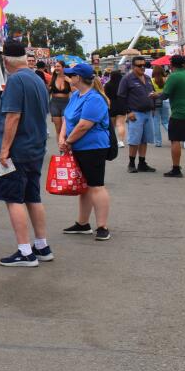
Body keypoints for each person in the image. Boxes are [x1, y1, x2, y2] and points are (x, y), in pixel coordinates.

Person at [0, 41, 53, 268]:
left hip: (18, 149)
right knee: (32, 196)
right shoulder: (37, 79)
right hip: (35, 147)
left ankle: (25, 251)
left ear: (6, 60)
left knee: (13, 198)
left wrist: (4, 150)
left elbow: (13, 116)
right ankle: (42, 245)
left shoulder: (16, 80)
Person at [59, 64, 113, 241]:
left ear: (79, 78)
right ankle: (83, 223)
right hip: (78, 146)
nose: (68, 77)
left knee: (96, 185)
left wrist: (67, 141)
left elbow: (84, 125)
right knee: (85, 187)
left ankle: (102, 226)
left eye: (71, 75)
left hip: (93, 147)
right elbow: (67, 118)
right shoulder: (76, 95)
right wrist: (62, 137)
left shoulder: (94, 98)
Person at [158, 55, 185, 178]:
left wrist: (155, 95)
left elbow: (165, 95)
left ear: (171, 65)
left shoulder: (174, 76)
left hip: (179, 114)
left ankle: (176, 168)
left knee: (175, 140)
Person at [118, 57, 158, 174]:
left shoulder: (147, 78)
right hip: (135, 113)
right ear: (133, 66)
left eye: (144, 65)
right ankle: (131, 163)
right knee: (134, 140)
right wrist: (128, 111)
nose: (142, 67)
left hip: (148, 113)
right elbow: (121, 97)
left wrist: (153, 105)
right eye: (139, 65)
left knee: (144, 139)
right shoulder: (127, 79)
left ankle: (142, 162)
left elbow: (151, 93)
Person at [48, 63, 72, 148]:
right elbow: (48, 93)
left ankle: (67, 147)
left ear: (63, 68)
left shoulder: (68, 78)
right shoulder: (52, 78)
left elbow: (75, 91)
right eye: (55, 66)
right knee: (58, 130)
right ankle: (61, 150)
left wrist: (70, 82)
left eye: (58, 66)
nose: (56, 68)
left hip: (66, 103)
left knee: (66, 129)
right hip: (54, 104)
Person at [105, 70, 127, 149]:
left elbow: (106, 96)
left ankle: (111, 141)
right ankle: (120, 141)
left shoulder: (107, 85)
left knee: (112, 126)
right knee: (120, 124)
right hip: (122, 105)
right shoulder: (123, 85)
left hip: (111, 106)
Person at [151, 65, 170, 148]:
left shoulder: (151, 80)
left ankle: (158, 142)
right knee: (165, 121)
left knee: (156, 122)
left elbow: (150, 93)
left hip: (155, 102)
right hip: (166, 101)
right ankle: (175, 135)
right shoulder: (167, 80)